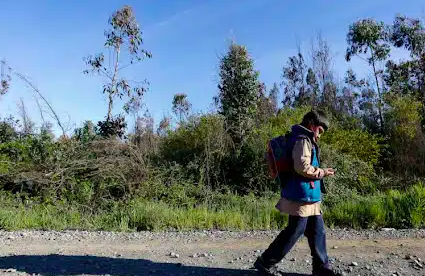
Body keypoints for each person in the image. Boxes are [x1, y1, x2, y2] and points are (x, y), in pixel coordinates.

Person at [254, 110, 339, 276]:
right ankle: (265, 262)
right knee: (295, 230)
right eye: (320, 131)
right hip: (301, 195)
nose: (320, 135)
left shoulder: (303, 138)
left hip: (307, 195)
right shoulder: (302, 140)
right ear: (311, 124)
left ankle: (322, 268)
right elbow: (302, 167)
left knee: (317, 231)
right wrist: (323, 172)